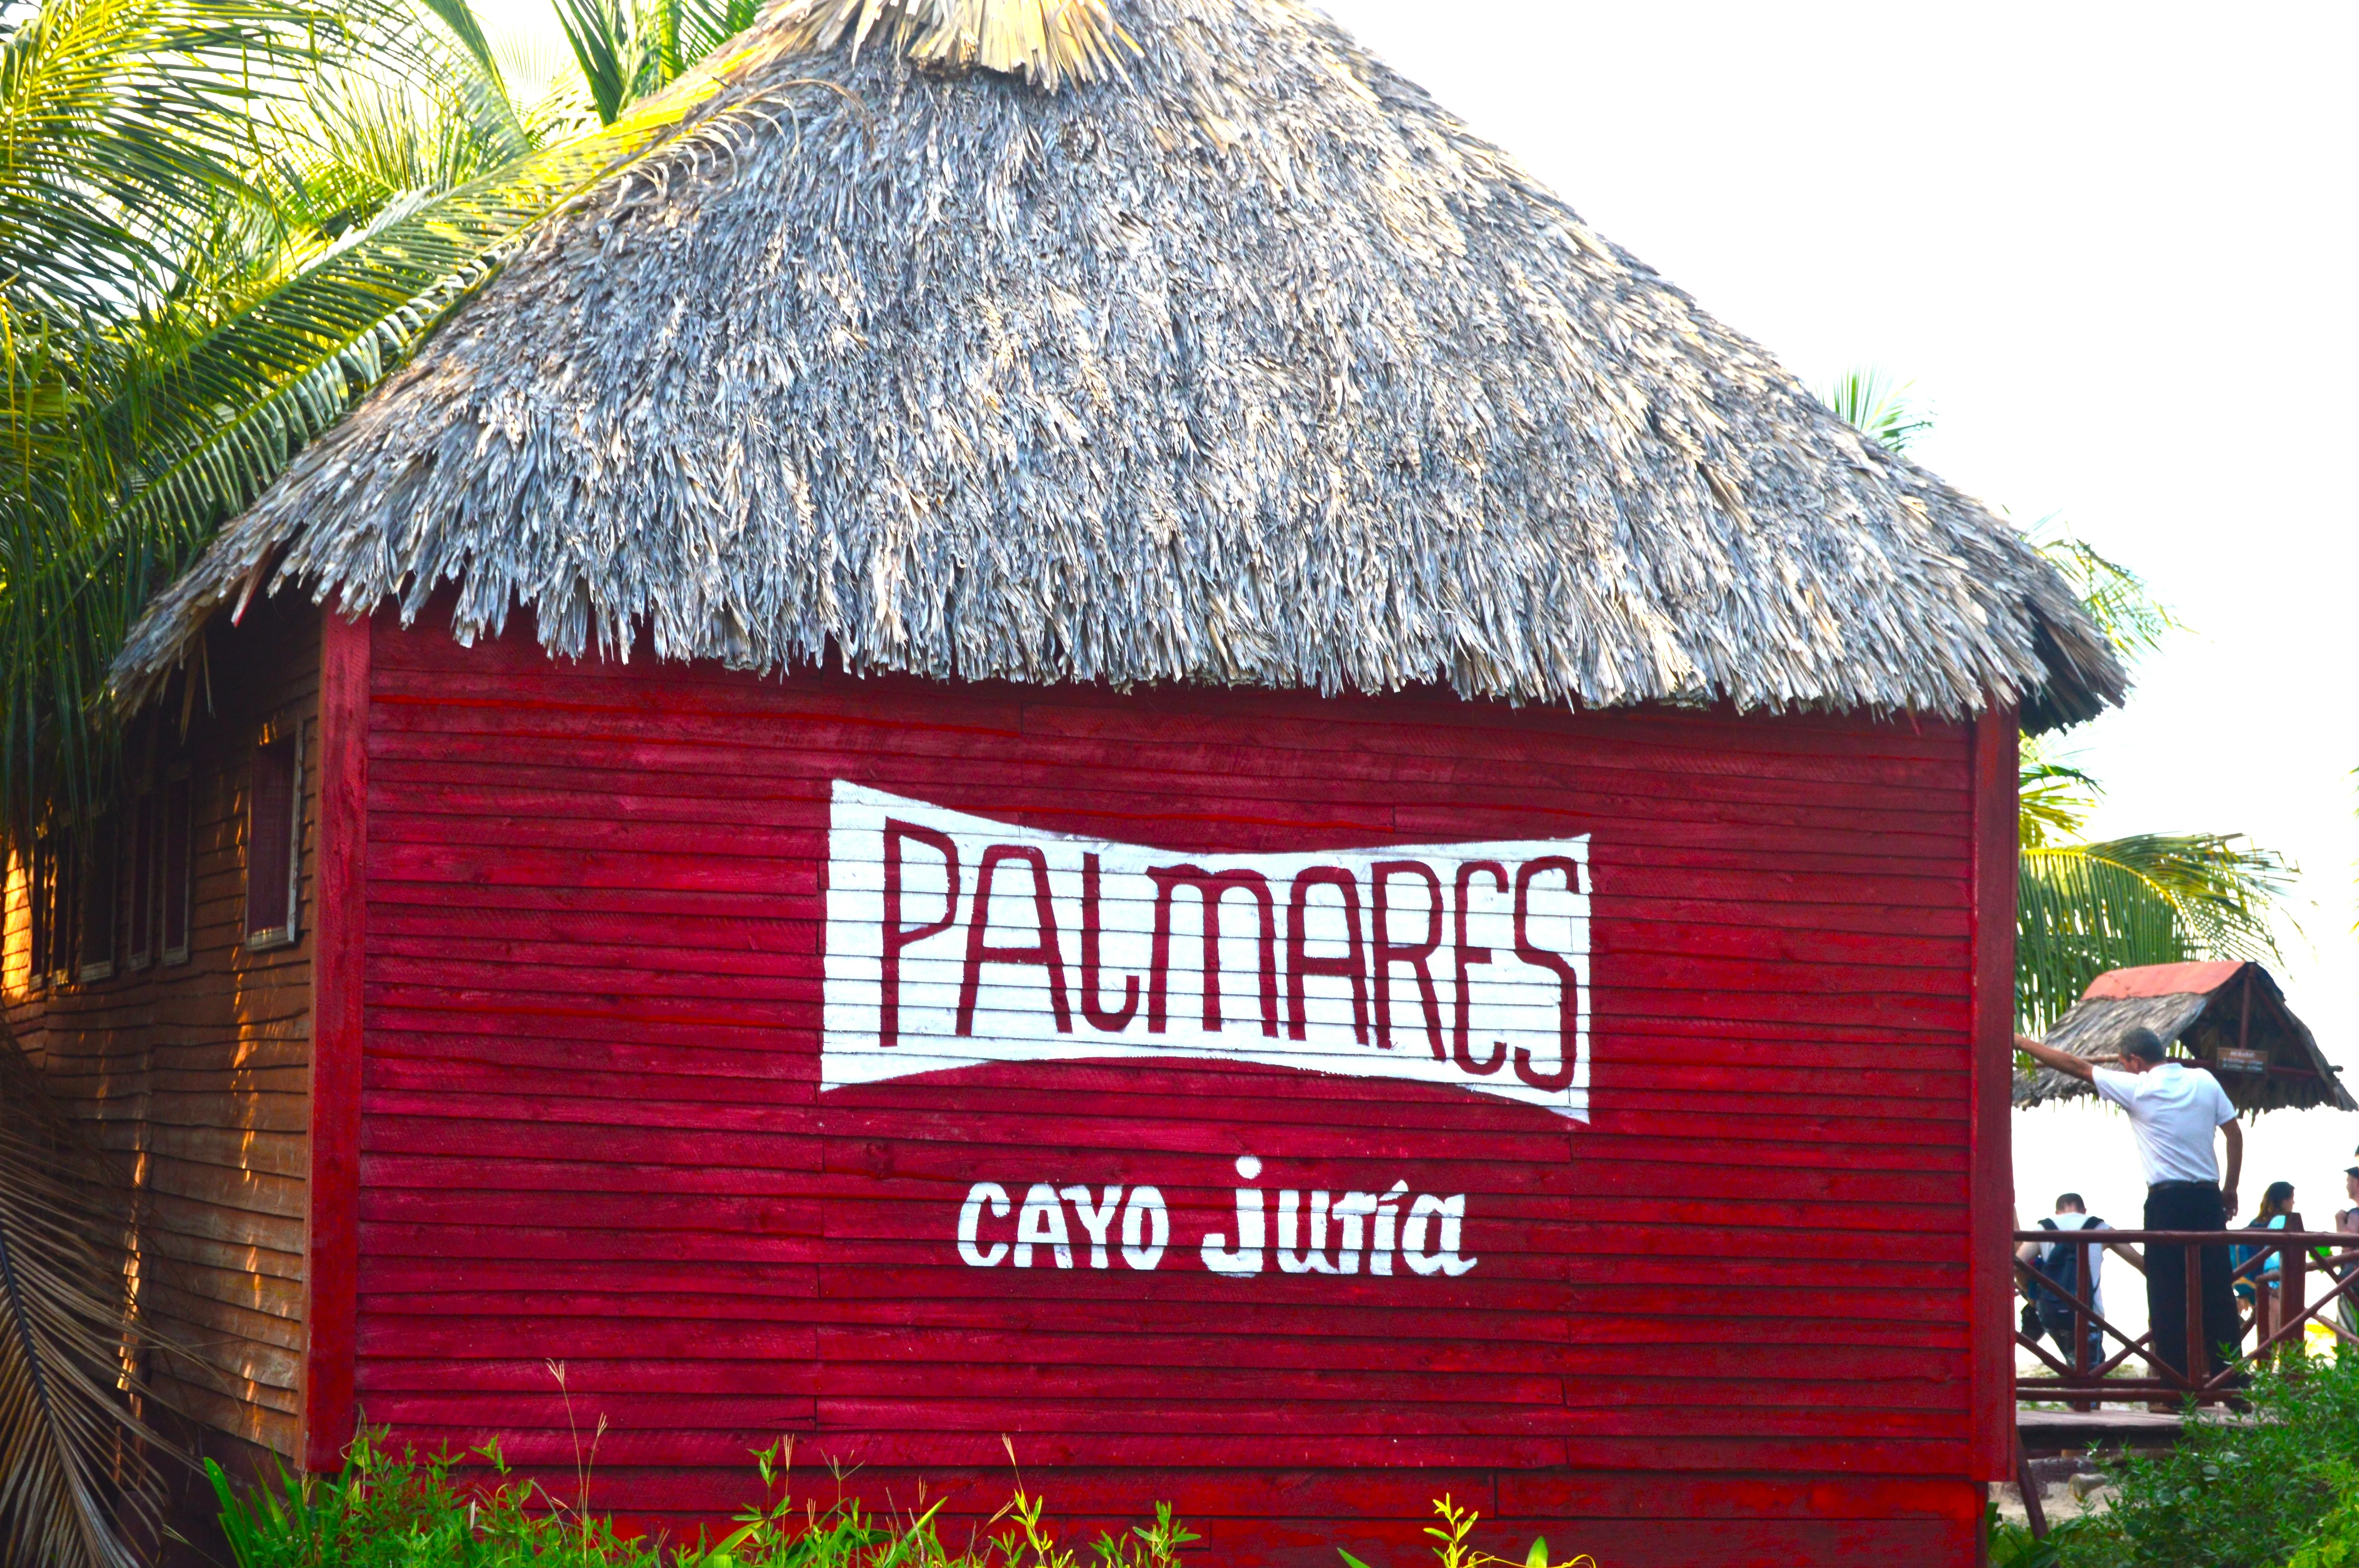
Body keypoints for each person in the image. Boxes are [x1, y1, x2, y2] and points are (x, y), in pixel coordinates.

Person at [2019, 1025, 2242, 1398]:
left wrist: (2021, 1042)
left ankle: (2174, 1389)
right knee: (2218, 1289)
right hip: (2208, 1199)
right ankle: (2231, 1382)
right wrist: (2230, 1189)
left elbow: (2074, 1066)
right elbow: (2234, 1135)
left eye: (2126, 1064)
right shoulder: (2204, 1080)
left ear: (2135, 1061)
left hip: (2167, 1202)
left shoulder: (2138, 1088)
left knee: (2166, 1293)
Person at [2017, 1193, 2111, 1372]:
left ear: (2056, 1212)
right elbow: (2137, 1260)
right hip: (2090, 1315)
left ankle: (2075, 1398)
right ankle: (2082, 1400)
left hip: (2054, 1316)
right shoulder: (2099, 1227)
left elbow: (2017, 1264)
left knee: (2074, 1369)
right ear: (2084, 1211)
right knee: (2092, 1376)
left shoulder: (2043, 1228)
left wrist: (2030, 1294)